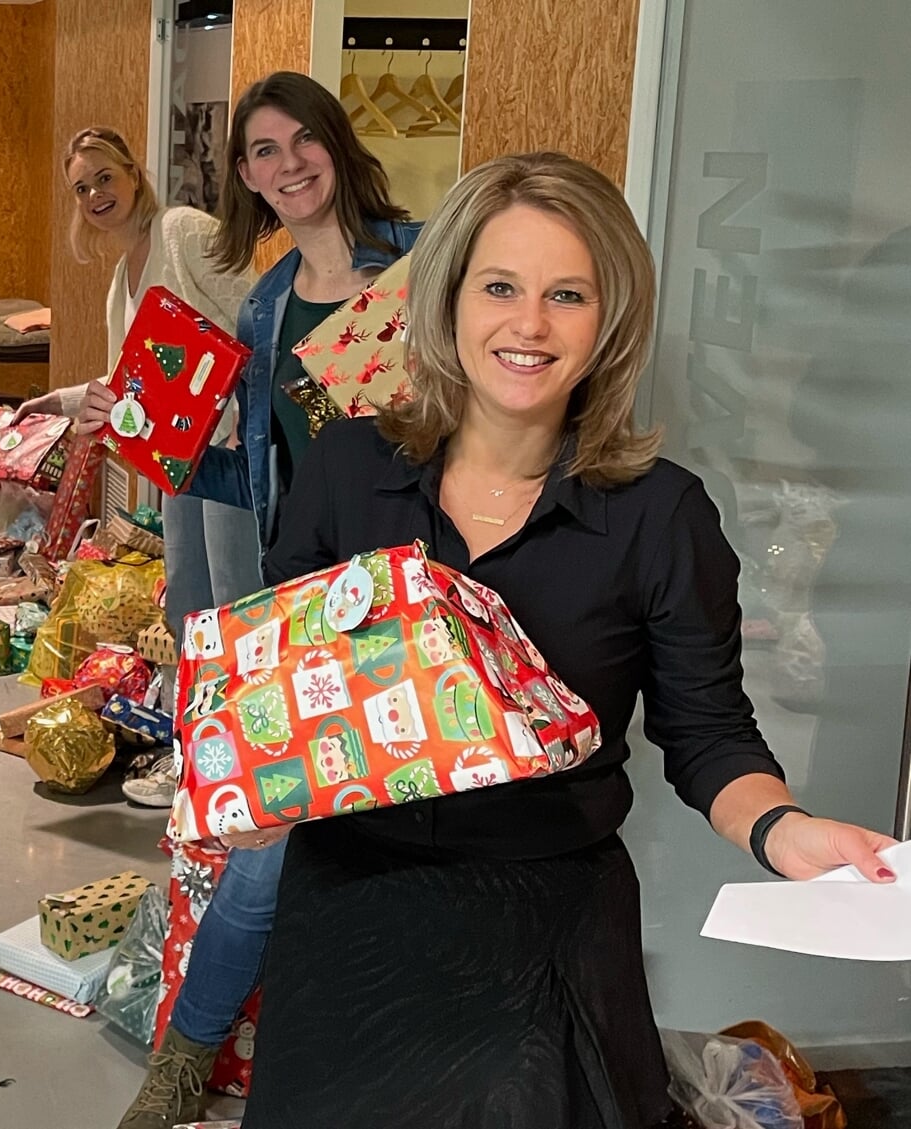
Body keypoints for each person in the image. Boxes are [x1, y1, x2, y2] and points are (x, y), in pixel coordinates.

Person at [234, 152, 897, 1128]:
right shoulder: (343, 472)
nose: (528, 324)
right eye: (498, 286)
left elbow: (707, 735)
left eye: (567, 295)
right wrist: (247, 779)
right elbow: (276, 694)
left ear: (608, 321)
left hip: (544, 923)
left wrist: (780, 828)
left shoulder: (656, 516)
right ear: (450, 295)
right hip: (350, 910)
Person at [115, 71, 419, 1129]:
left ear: (334, 143)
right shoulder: (267, 300)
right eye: (260, 151)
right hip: (313, 607)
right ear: (241, 174)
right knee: (270, 839)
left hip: (426, 597)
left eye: (300, 141)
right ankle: (188, 1055)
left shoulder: (422, 263)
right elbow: (259, 472)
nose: (285, 165)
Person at [12, 126, 256, 808]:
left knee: (234, 613)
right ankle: (198, 754)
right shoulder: (122, 276)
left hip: (231, 456)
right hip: (183, 462)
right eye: (81, 187)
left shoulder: (182, 232)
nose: (94, 194)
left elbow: (257, 317)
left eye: (103, 177)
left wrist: (226, 400)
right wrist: (65, 399)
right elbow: (133, 382)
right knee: (189, 609)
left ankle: (240, 764)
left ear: (133, 173)